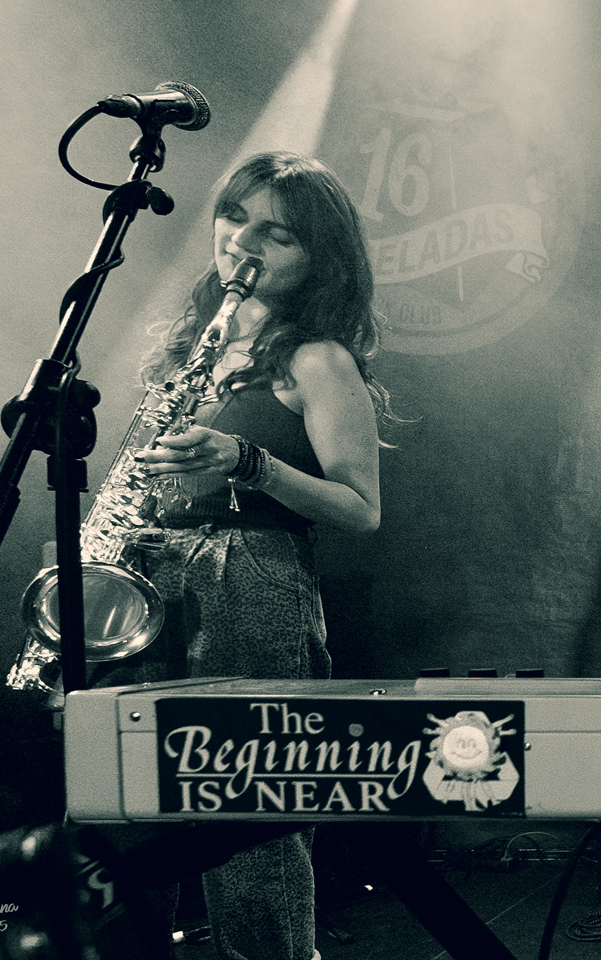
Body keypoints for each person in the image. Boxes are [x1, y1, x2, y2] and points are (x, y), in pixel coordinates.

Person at [120, 151, 392, 960]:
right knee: (127, 802)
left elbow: (361, 509)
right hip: (152, 575)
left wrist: (249, 462)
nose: (242, 242)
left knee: (248, 820)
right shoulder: (189, 352)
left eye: (277, 234)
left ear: (318, 258)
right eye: (235, 217)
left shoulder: (316, 359)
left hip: (250, 576)